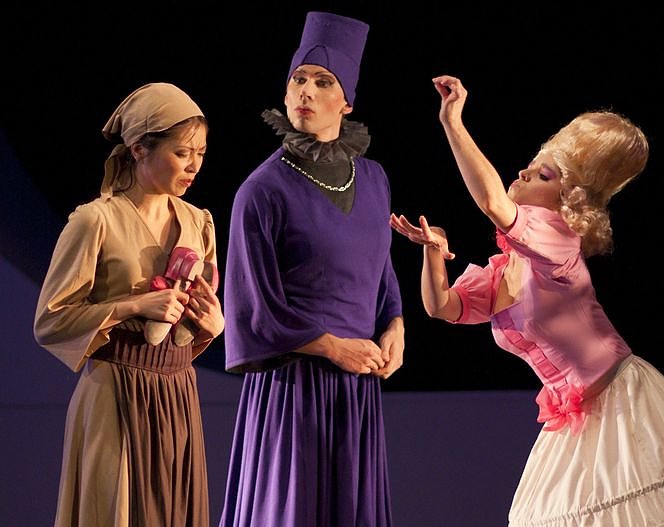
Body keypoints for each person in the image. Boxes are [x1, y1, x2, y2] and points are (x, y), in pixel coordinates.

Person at [391, 74, 664, 526]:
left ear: (566, 201)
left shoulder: (558, 240)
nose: (523, 173)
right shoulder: (505, 268)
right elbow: (443, 307)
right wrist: (433, 250)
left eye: (543, 175)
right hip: (576, 418)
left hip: (621, 402)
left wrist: (452, 122)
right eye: (531, 167)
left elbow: (492, 202)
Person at [219, 11, 404, 527]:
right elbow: (254, 305)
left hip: (356, 386)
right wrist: (330, 347)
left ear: (347, 102)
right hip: (294, 386)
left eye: (323, 82)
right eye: (298, 79)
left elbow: (379, 265)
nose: (306, 91)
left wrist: (395, 323)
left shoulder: (373, 178)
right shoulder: (262, 190)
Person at [34, 82, 224, 526]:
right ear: (139, 149)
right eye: (182, 152)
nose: (194, 165)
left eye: (200, 153)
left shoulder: (199, 222)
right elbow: (50, 321)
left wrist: (214, 324)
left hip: (177, 395)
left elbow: (196, 316)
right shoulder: (94, 221)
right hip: (115, 392)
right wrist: (133, 306)